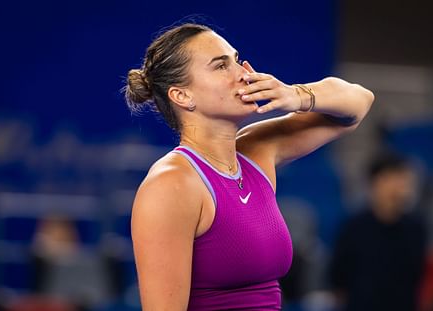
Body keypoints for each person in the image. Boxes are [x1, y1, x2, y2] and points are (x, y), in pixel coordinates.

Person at [125, 23, 374, 310]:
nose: (244, 74)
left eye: (236, 60)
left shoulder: (257, 151)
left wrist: (296, 95)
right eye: (221, 66)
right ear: (182, 96)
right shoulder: (171, 185)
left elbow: (358, 102)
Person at [328, 152, 428, 311]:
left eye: (403, 180)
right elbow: (338, 277)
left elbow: (417, 276)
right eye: (391, 178)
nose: (399, 187)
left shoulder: (416, 228)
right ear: (374, 184)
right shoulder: (353, 227)